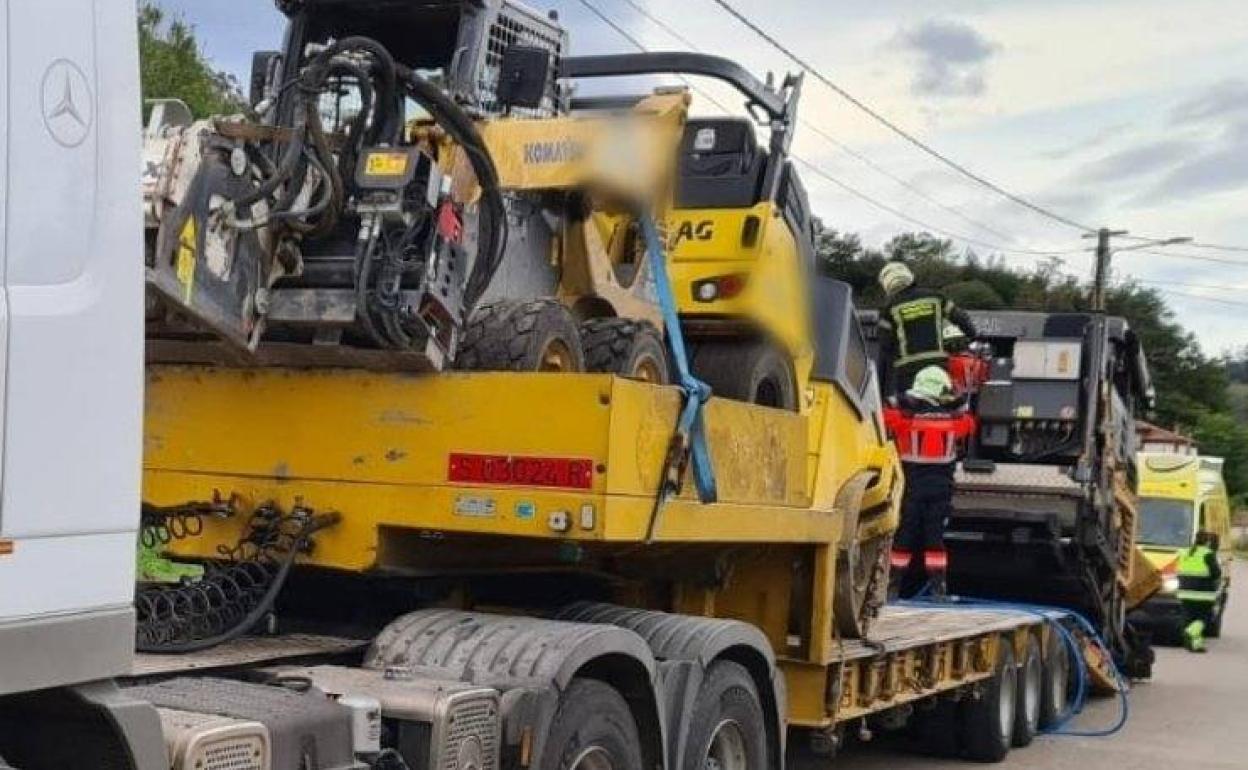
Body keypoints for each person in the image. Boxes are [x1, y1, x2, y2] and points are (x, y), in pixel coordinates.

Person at [884, 365, 975, 599]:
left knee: (903, 538)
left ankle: (892, 587)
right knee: (935, 540)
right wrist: (956, 404)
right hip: (940, 490)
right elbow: (969, 424)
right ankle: (938, 590)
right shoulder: (955, 422)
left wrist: (899, 401)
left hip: (911, 488)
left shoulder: (905, 419)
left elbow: (885, 417)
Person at [876, 262, 978, 397]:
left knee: (910, 407)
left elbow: (885, 344)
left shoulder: (889, 308)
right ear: (909, 276)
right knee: (940, 402)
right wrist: (972, 335)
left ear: (886, 284)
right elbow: (960, 318)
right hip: (936, 364)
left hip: (907, 369)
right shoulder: (935, 297)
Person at [1177, 531, 1223, 653]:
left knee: (1190, 618)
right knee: (1204, 619)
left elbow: (1179, 571)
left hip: (1184, 593)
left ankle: (1195, 645)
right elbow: (1216, 573)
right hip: (1203, 594)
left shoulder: (1185, 552)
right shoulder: (1208, 554)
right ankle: (1189, 632)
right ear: (1207, 541)